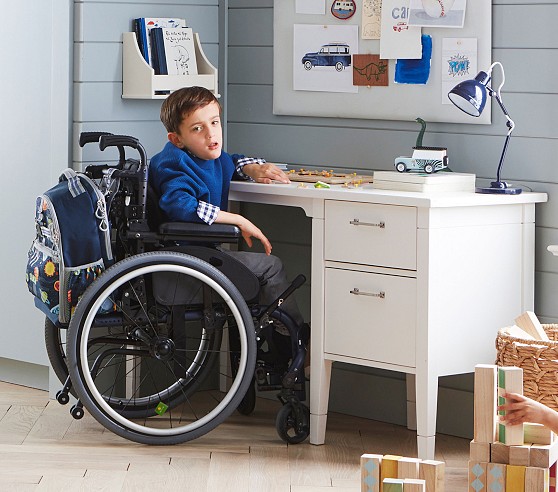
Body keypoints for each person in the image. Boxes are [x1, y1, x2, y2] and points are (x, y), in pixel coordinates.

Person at [149, 86, 306, 331]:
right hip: (185, 261)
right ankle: (295, 340)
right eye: (198, 128)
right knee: (271, 266)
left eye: (214, 122)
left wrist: (252, 168)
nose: (211, 134)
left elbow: (230, 161)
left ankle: (279, 344)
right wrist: (237, 220)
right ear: (176, 139)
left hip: (200, 255)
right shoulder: (173, 163)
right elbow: (180, 204)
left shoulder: (208, 155)